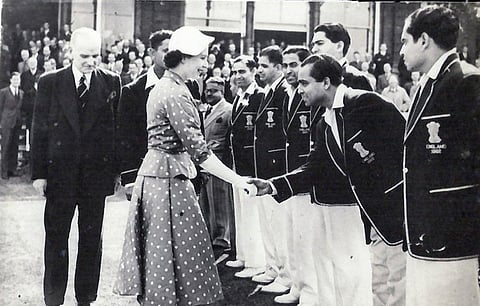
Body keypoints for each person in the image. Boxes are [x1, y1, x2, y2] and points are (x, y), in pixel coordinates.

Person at [248, 53, 405, 306]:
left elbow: (405, 143)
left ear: (326, 83)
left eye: (304, 83)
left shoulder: (365, 103)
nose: (299, 90)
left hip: (395, 212)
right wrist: (272, 185)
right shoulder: (324, 121)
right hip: (372, 218)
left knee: (399, 285)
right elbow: (315, 167)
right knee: (378, 285)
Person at [113, 26, 253, 305]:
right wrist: (239, 181)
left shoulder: (169, 86)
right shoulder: (175, 93)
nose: (205, 64)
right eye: (201, 58)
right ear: (186, 58)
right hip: (167, 180)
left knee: (167, 256)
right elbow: (200, 152)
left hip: (161, 176)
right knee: (172, 255)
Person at [31, 27, 122, 306]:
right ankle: (53, 298)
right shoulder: (50, 82)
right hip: (60, 175)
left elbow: (116, 131)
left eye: (96, 56)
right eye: (85, 56)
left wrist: (116, 172)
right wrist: (39, 174)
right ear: (71, 52)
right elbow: (39, 130)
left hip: (95, 176)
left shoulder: (111, 82)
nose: (91, 62)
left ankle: (86, 298)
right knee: (56, 238)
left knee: (92, 239)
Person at [399, 5, 480, 305]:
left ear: (423, 40)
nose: (401, 50)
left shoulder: (465, 81)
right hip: (424, 233)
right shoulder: (426, 84)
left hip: (454, 237)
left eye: (405, 41)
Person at [273, 46, 319, 305]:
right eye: (286, 64)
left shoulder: (307, 95)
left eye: (294, 65)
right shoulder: (287, 94)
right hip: (289, 174)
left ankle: (311, 291)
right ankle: (296, 285)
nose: (289, 70)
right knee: (291, 236)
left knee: (304, 239)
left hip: (304, 178)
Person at [252, 45, 290, 294]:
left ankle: (285, 275)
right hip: (264, 166)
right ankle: (273, 267)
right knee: (267, 222)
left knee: (279, 225)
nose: (260, 70)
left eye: (265, 66)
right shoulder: (269, 92)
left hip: (276, 167)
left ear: (278, 68)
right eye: (259, 65)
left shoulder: (284, 93)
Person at [117, 30, 172, 199]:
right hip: (145, 171)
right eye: (166, 51)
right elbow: (125, 137)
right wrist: (130, 177)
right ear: (151, 52)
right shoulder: (133, 91)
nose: (172, 56)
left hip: (180, 172)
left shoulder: (189, 86)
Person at [226, 55, 266, 279]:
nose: (237, 76)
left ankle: (255, 261)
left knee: (251, 213)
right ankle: (242, 255)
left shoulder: (258, 96)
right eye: (234, 72)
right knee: (241, 211)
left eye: (242, 71)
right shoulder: (239, 97)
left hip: (251, 162)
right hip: (238, 162)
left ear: (253, 72)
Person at [198, 76, 234, 253]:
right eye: (207, 90)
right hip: (204, 161)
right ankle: (210, 236)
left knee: (219, 200)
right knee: (205, 201)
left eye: (214, 91)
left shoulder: (228, 110)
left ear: (223, 91)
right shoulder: (204, 110)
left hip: (219, 160)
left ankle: (222, 238)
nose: (209, 94)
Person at [311, 22, 373, 91]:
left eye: (320, 43)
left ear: (339, 46)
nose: (313, 50)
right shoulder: (312, 77)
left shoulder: (357, 79)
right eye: (313, 45)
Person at [0, 72, 23, 179]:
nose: (16, 81)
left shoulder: (21, 93)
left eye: (18, 80)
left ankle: (12, 169)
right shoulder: (3, 92)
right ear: (10, 80)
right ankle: (3, 171)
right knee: (6, 147)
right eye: (14, 79)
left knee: (15, 147)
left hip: (17, 123)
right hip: (6, 123)